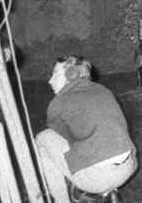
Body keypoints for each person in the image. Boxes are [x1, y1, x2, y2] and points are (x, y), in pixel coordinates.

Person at [36, 56, 136, 203]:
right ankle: (108, 193)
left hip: (98, 178)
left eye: (55, 74)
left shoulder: (60, 101)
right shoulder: (102, 90)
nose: (50, 80)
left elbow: (62, 135)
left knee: (44, 138)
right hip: (127, 169)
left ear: (71, 75)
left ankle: (61, 200)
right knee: (101, 139)